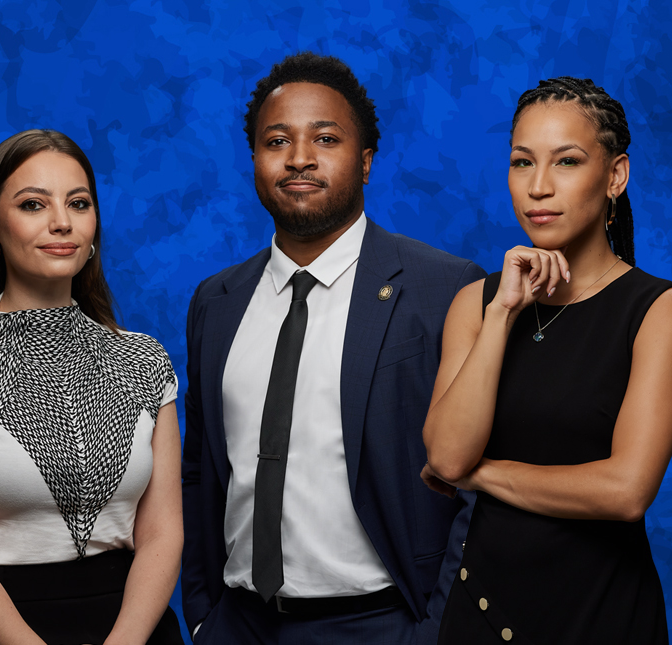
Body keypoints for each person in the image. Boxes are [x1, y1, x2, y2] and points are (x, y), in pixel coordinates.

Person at [181, 51, 486, 644]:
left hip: (384, 624)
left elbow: (477, 487)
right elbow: (200, 471)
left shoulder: (445, 289)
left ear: (366, 161)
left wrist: (433, 632)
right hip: (237, 625)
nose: (299, 158)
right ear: (254, 161)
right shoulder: (215, 302)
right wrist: (203, 613)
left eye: (325, 138)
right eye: (277, 141)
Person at [0, 129, 184, 645]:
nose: (61, 221)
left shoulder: (145, 361)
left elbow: (164, 535)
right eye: (33, 204)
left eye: (78, 203)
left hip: (134, 628)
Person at [423, 77, 672, 644]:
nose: (538, 187)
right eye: (521, 162)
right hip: (480, 612)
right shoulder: (478, 302)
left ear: (616, 177)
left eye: (566, 161)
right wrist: (503, 314)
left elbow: (626, 491)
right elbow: (444, 451)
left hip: (601, 617)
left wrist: (479, 476)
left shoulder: (658, 311)